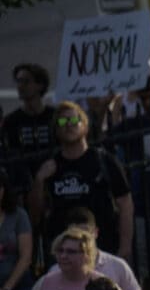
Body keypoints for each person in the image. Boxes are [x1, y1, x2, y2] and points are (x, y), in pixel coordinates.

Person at [29, 101, 133, 259]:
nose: (68, 125)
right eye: (62, 122)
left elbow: (125, 204)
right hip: (63, 253)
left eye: (73, 120)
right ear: (56, 130)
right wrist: (39, 180)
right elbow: (35, 216)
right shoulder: (49, 166)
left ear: (85, 126)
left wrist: (125, 246)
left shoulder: (103, 161)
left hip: (103, 249)